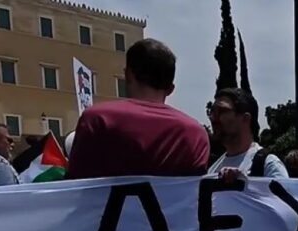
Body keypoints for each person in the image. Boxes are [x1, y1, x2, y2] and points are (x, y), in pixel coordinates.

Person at [68, 39, 209, 179]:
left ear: (128, 75)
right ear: (170, 89)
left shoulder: (98, 119)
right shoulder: (196, 133)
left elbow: (76, 184)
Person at [208, 88, 288, 180]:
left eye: (222, 111)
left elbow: (285, 190)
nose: (213, 118)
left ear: (245, 118)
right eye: (212, 112)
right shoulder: (212, 170)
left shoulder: (268, 165)